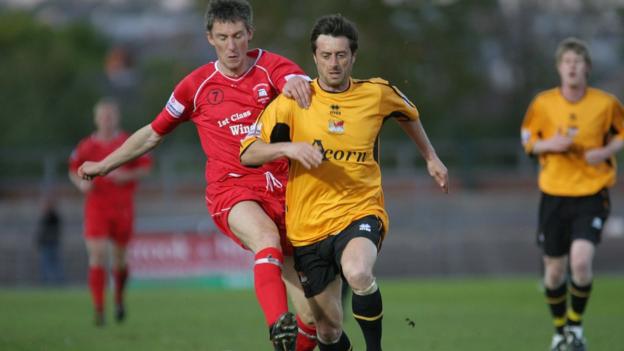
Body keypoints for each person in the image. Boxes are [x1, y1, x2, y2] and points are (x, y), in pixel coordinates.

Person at [77, 1, 317, 350]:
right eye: (223, 37)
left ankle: (294, 333)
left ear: (249, 33)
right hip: (231, 191)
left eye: (238, 36)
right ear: (210, 38)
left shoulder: (272, 68)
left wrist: (300, 85)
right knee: (266, 238)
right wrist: (105, 165)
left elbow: (295, 79)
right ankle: (276, 323)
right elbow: (153, 132)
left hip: (285, 192)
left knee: (312, 318)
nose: (232, 45)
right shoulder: (195, 86)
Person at [240, 14, 448, 351]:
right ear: (314, 57)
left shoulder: (376, 93)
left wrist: (430, 157)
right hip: (308, 226)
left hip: (360, 210)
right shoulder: (294, 100)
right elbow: (248, 152)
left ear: (353, 57)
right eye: (325, 55)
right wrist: (289, 147)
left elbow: (409, 114)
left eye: (340, 55)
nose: (333, 64)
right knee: (328, 329)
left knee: (358, 272)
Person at [520, 37, 624, 351]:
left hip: (592, 192)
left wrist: (605, 150)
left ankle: (576, 329)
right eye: (567, 62)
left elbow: (622, 133)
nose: (573, 67)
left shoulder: (605, 104)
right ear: (559, 68)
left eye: (578, 62)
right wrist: (549, 145)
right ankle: (559, 331)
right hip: (554, 194)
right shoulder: (543, 104)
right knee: (554, 271)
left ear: (587, 68)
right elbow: (529, 139)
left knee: (580, 262)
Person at [68, 98, 153, 326]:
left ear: (117, 118)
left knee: (119, 260)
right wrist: (81, 183)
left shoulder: (127, 142)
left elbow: (145, 167)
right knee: (97, 255)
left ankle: (118, 299)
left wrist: (125, 176)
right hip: (96, 208)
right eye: (102, 116)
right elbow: (73, 170)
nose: (106, 120)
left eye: (110, 116)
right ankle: (98, 308)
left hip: (123, 208)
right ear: (96, 119)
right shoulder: (87, 145)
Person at [35, 195, 64, 285]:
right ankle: (49, 282)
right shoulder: (46, 216)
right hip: (46, 244)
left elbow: (52, 230)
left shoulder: (52, 216)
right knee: (47, 264)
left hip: (51, 244)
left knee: (51, 264)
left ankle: (55, 282)